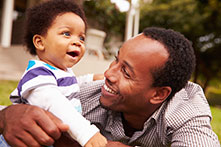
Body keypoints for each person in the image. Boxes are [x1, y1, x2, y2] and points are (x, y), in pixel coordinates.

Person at [0, 27, 220, 146]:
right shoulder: (88, 96)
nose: (108, 74)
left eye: (126, 72)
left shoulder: (185, 108)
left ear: (159, 94)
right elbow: (41, 96)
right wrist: (6, 116)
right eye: (116, 60)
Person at [0, 0, 107, 147]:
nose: (77, 42)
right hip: (19, 141)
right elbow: (53, 102)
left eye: (81, 37)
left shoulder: (60, 72)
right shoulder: (37, 74)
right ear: (40, 42)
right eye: (66, 34)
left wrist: (91, 78)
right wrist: (86, 133)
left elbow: (71, 83)